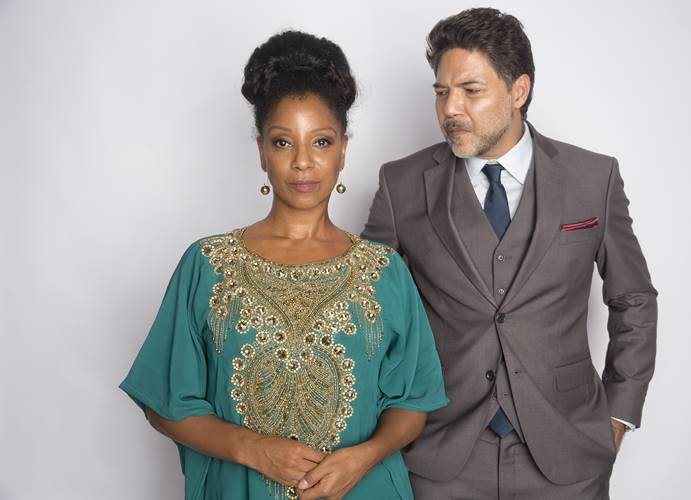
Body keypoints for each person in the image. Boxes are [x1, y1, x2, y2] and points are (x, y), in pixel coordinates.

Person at [120, 30, 447, 500]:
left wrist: (364, 457)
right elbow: (164, 401)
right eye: (282, 143)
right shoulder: (207, 265)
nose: (302, 163)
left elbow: (414, 400)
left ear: (343, 150)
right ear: (261, 151)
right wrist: (252, 449)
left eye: (321, 142)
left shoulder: (384, 272)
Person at [362, 8, 657, 499]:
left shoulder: (593, 178)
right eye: (441, 92)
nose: (450, 109)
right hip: (440, 455)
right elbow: (366, 314)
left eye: (470, 91)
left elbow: (635, 300)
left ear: (518, 91)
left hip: (569, 453)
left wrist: (618, 416)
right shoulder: (401, 184)